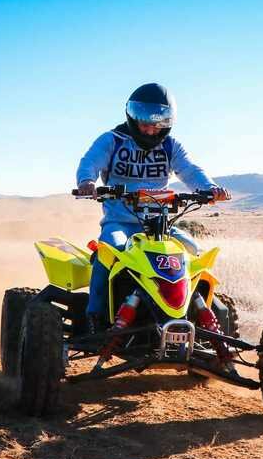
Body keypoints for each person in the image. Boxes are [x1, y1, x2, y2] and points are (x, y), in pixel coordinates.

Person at [75, 83, 230, 330]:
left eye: (157, 122)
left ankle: (196, 317)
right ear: (132, 116)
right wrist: (86, 182)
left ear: (168, 121)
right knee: (110, 251)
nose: (149, 128)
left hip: (160, 226)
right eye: (143, 120)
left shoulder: (170, 146)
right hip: (120, 223)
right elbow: (90, 162)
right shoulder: (112, 141)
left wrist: (210, 188)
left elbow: (190, 170)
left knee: (192, 249)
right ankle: (94, 317)